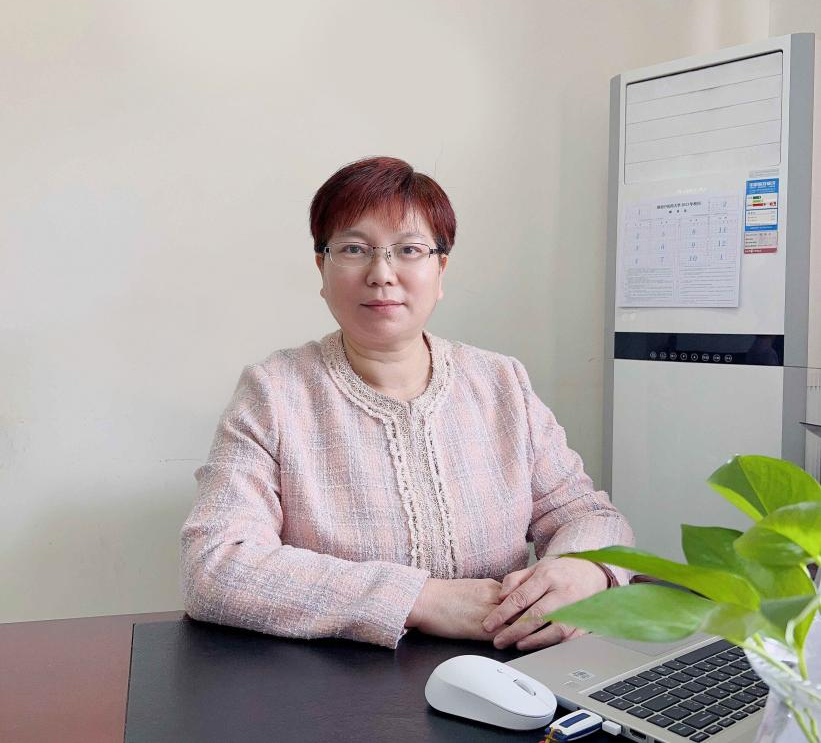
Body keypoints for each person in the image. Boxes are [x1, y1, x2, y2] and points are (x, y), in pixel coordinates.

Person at [180, 156, 634, 651]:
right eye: (354, 249)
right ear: (322, 268)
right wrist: (421, 599)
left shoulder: (501, 382)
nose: (382, 273)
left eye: (409, 250)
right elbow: (216, 566)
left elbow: (587, 515)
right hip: (341, 676)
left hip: (505, 664)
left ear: (440, 269)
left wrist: (584, 569)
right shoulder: (274, 392)